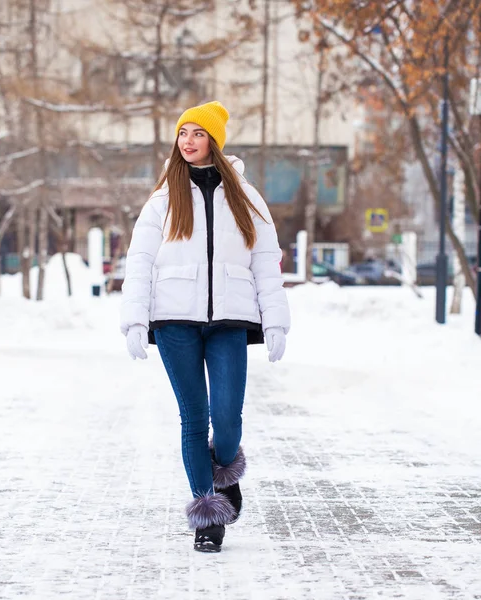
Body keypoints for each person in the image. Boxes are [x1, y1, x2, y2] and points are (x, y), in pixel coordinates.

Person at [120, 101, 290, 553]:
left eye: (198, 133)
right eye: (183, 133)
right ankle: (207, 510)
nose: (188, 141)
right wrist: (135, 318)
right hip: (174, 319)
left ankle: (222, 468)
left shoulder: (246, 197)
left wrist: (276, 321)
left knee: (227, 418)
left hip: (230, 320)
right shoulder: (163, 198)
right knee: (193, 418)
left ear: (214, 139)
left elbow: (265, 263)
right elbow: (139, 262)